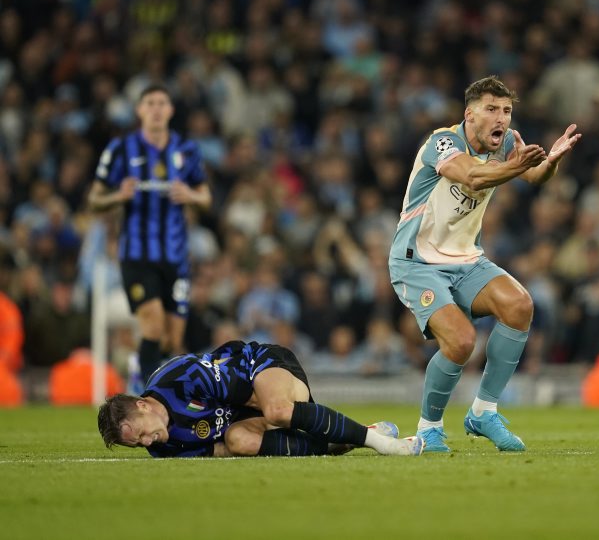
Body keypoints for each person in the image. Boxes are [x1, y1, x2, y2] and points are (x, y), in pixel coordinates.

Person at [388, 75, 581, 452]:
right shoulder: (442, 142)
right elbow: (473, 175)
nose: (502, 119)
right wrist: (517, 167)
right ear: (469, 114)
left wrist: (551, 163)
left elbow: (534, 176)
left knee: (519, 304)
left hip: (466, 259)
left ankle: (483, 412)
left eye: (506, 111)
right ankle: (429, 428)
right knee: (460, 342)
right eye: (491, 110)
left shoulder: (506, 142)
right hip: (417, 261)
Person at [97, 339, 423, 458]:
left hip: (261, 364)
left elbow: (250, 394)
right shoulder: (164, 447)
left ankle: (381, 444)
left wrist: (285, 417)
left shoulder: (180, 379)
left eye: (140, 432)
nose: (146, 442)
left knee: (278, 409)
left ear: (142, 405)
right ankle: (340, 441)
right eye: (137, 445)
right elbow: (219, 449)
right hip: (246, 413)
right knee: (238, 441)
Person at [88, 84, 212, 387]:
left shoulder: (187, 150)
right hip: (136, 255)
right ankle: (148, 394)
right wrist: (119, 195)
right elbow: (94, 199)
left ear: (170, 111)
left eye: (162, 103)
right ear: (139, 110)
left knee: (172, 338)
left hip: (176, 256)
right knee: (152, 323)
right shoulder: (121, 149)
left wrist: (190, 196)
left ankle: (139, 366)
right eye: (150, 103)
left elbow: (207, 197)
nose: (156, 108)